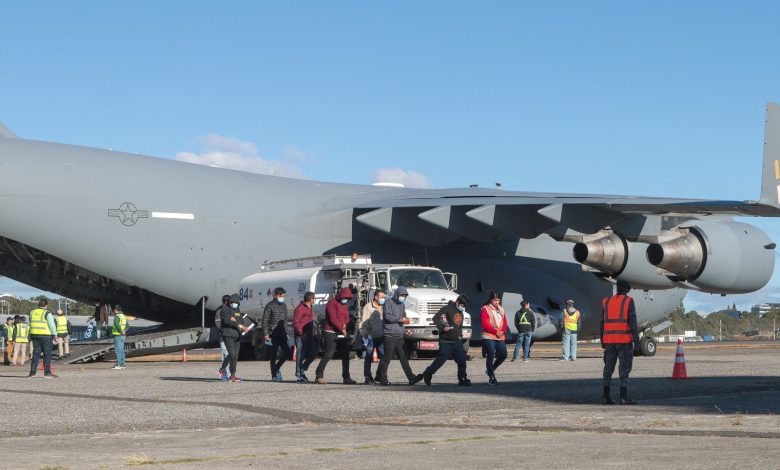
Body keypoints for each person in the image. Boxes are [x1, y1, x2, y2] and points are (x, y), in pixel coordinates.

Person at [601, 280, 640, 405]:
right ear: (627, 289)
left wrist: (602, 339)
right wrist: (637, 341)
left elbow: (602, 322)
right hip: (624, 341)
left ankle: (605, 396)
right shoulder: (628, 301)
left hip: (609, 341)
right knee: (624, 368)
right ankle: (623, 397)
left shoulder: (606, 302)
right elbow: (632, 322)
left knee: (608, 368)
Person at [376, 286, 424, 386]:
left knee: (403, 357)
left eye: (405, 296)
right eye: (402, 295)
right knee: (387, 358)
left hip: (399, 335)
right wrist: (400, 319)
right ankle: (383, 379)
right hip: (389, 335)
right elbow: (387, 317)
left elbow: (403, 315)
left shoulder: (402, 305)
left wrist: (405, 319)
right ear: (397, 294)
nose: (403, 297)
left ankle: (411, 378)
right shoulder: (388, 303)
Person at [421, 294, 471, 386]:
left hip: (457, 341)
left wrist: (459, 333)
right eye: (462, 305)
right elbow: (435, 318)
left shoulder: (460, 311)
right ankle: (428, 373)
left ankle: (462, 379)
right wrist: (443, 328)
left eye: (464, 306)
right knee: (440, 360)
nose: (463, 307)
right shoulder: (447, 308)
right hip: (446, 341)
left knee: (462, 360)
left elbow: (458, 324)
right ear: (457, 302)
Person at [315, 287, 357, 385]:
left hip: (341, 331)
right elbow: (333, 319)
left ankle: (346, 377)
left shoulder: (344, 304)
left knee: (346, 354)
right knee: (329, 354)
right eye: (345, 297)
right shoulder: (331, 303)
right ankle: (319, 375)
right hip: (330, 331)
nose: (346, 300)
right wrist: (341, 329)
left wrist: (345, 324)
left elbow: (346, 316)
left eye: (348, 298)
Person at [263, 287, 291, 382]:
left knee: (288, 352)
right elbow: (265, 321)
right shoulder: (269, 306)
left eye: (283, 296)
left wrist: (286, 333)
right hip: (272, 334)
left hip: (282, 334)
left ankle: (277, 367)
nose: (282, 297)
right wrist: (266, 333)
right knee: (273, 355)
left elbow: (285, 321)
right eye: (281, 296)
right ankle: (274, 374)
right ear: (276, 295)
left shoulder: (284, 306)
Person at [218, 293, 248, 382]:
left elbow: (241, 320)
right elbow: (227, 321)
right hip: (228, 334)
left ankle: (233, 375)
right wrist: (238, 324)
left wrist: (235, 319)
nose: (235, 304)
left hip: (237, 334)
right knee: (231, 354)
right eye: (233, 302)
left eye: (237, 303)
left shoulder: (237, 309)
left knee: (235, 357)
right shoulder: (224, 309)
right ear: (230, 302)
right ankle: (222, 369)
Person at [480, 291, 508, 385]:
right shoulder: (485, 309)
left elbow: (505, 321)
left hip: (500, 336)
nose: (497, 302)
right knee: (491, 355)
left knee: (503, 354)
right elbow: (485, 324)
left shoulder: (501, 308)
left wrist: (503, 331)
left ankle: (491, 369)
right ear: (491, 300)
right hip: (489, 336)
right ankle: (491, 377)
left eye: (498, 300)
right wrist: (496, 332)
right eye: (495, 300)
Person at [359, 289, 386, 384]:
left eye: (384, 297)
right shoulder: (368, 307)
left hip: (381, 335)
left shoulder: (384, 307)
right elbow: (364, 322)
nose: (383, 299)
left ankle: (379, 375)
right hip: (370, 336)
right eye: (382, 297)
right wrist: (365, 336)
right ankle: (367, 377)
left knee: (384, 356)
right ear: (376, 297)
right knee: (369, 356)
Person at [27, 299, 57, 378]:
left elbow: (30, 322)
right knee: (47, 354)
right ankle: (47, 373)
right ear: (46, 305)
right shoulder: (47, 313)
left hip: (34, 335)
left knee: (36, 354)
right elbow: (52, 325)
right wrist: (55, 334)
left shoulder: (32, 312)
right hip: (46, 336)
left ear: (39, 304)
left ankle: (32, 373)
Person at [292, 291, 317, 383]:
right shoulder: (300, 308)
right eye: (315, 298)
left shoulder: (311, 307)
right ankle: (299, 375)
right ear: (311, 299)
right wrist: (301, 333)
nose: (315, 300)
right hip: (301, 337)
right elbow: (296, 322)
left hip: (309, 336)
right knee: (300, 356)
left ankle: (303, 368)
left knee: (314, 353)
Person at [214, 294, 230, 376]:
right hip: (223, 336)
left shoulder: (230, 310)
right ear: (226, 302)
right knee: (225, 354)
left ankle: (228, 373)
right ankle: (225, 374)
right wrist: (227, 329)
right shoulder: (219, 311)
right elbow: (218, 324)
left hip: (230, 337)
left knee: (229, 355)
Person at [111, 305, 128, 370]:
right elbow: (127, 325)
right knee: (122, 350)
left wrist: (121, 331)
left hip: (118, 335)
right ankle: (123, 364)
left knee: (118, 350)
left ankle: (118, 364)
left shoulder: (117, 317)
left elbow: (117, 325)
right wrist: (124, 331)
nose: (113, 312)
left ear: (116, 310)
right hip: (123, 336)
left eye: (113, 310)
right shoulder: (123, 316)